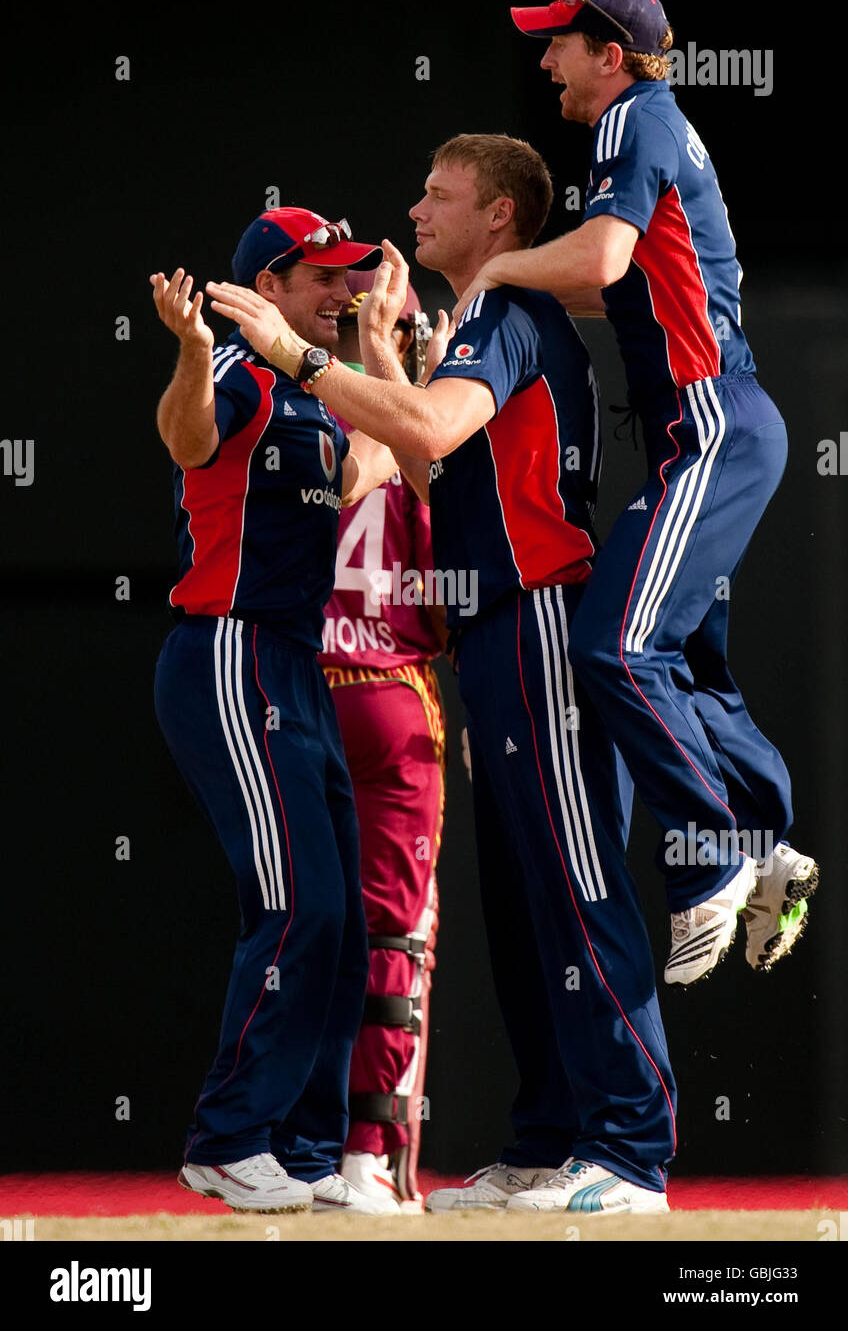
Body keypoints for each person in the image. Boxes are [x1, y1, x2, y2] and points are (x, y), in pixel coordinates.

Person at [206, 133, 678, 1215]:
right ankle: (550, 1135)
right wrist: (374, 364)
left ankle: (630, 1150)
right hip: (479, 640)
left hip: (533, 618)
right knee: (517, 906)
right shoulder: (476, 320)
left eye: (436, 193)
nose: (413, 212)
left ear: (498, 217)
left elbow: (424, 426)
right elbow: (421, 457)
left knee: (571, 886)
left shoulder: (507, 314)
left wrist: (299, 353)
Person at [450, 0, 819, 987]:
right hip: (711, 431)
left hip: (709, 428)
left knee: (611, 645)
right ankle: (766, 843)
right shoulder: (654, 121)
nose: (544, 61)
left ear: (609, 54)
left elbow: (601, 258)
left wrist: (496, 272)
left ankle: (709, 854)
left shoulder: (630, 120)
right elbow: (625, 280)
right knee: (681, 668)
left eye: (560, 42)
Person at [149, 206, 406, 1216]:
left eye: (348, 276)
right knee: (296, 905)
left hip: (293, 666)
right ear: (268, 288)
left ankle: (302, 1150)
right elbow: (186, 439)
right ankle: (227, 1138)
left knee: (337, 920)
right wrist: (191, 350)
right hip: (229, 650)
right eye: (322, 279)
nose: (341, 292)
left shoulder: (314, 393)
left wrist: (383, 351)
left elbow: (374, 464)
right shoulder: (232, 372)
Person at [320, 273, 447, 1212]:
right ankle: (370, 1156)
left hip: (296, 688)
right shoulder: (427, 446)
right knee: (396, 936)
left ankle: (289, 1144)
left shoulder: (296, 420)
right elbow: (460, 593)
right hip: (393, 694)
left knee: (301, 927)